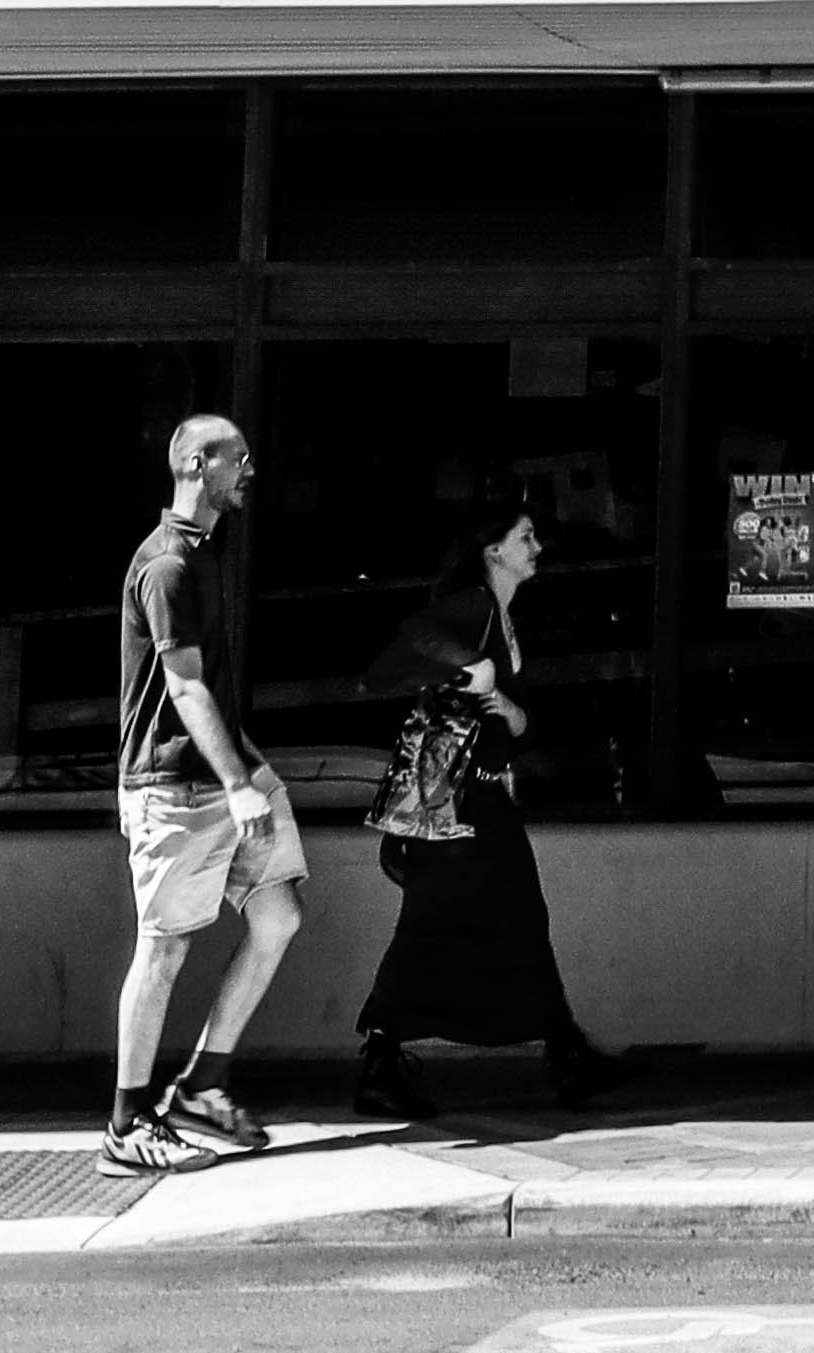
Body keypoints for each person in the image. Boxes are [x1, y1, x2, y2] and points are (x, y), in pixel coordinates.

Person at [353, 497, 612, 1111]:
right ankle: (381, 1065)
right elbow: (407, 641)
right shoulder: (473, 608)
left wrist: (517, 716)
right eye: (526, 537)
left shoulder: (505, 617)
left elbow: (503, 714)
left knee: (514, 919)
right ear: (494, 550)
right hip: (457, 803)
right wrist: (475, 667)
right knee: (435, 925)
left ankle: (564, 1053)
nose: (537, 548)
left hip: (482, 798)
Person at [103, 412, 304, 1175]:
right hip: (176, 789)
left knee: (279, 914)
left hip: (229, 777)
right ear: (194, 464)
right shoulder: (166, 567)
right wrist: (235, 783)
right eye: (236, 458)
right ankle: (126, 1127)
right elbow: (184, 687)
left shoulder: (203, 552)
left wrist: (248, 774)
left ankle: (203, 1085)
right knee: (164, 948)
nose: (249, 468)